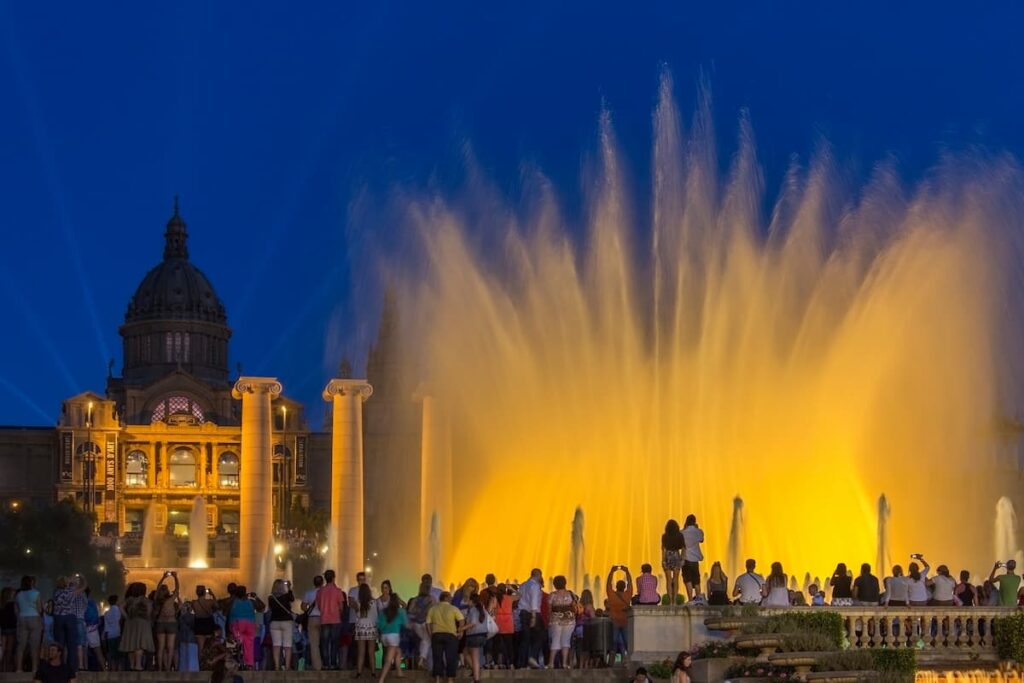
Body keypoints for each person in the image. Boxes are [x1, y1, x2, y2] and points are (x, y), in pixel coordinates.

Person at [426, 591, 464, 683]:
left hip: (436, 635)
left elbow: (427, 623)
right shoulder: (453, 608)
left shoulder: (433, 609)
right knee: (451, 657)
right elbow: (461, 620)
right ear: (447, 598)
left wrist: (430, 634)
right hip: (451, 635)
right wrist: (460, 630)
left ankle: (438, 679)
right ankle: (450, 679)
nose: (451, 598)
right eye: (450, 597)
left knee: (437, 658)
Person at [120, 582, 154, 672]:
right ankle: (138, 665)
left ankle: (132, 665)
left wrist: (126, 616)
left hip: (130, 622)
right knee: (140, 644)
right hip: (142, 622)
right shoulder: (144, 600)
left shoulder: (129, 599)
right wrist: (147, 617)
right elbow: (149, 609)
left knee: (131, 644)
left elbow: (120, 607)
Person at [316, 570, 344, 670]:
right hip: (335, 619)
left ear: (325, 579)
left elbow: (319, 606)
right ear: (333, 578)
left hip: (324, 619)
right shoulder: (338, 591)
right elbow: (341, 607)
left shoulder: (320, 591)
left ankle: (325, 664)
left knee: (324, 642)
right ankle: (333, 663)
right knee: (334, 642)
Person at [546, 576, 576, 670]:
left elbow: (549, 609)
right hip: (569, 620)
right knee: (566, 641)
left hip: (556, 620)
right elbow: (575, 607)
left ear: (555, 584)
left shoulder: (552, 595)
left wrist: (548, 620)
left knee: (555, 640)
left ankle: (551, 663)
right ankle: (564, 664)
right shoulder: (570, 594)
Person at [16, 575, 44, 672]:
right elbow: (40, 609)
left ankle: (19, 668)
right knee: (34, 645)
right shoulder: (36, 593)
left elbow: (17, 609)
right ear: (31, 583)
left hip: (22, 618)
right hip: (34, 618)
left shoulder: (19, 594)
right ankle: (34, 668)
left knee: (21, 645)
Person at [517, 568, 544, 669]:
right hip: (533, 613)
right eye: (540, 576)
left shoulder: (523, 585)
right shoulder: (535, 585)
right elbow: (534, 601)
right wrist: (533, 617)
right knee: (539, 637)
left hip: (523, 613)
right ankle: (532, 658)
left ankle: (521, 663)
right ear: (538, 575)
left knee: (525, 639)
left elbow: (520, 597)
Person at [377, 592, 407, 682]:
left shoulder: (384, 611)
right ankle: (381, 680)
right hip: (393, 636)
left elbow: (379, 625)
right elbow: (406, 624)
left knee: (398, 651)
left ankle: (399, 672)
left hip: (384, 637)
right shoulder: (400, 611)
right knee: (389, 660)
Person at [606, 565, 633, 662]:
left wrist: (611, 572)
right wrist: (627, 572)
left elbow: (608, 584)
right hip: (625, 621)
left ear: (616, 587)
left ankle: (611, 662)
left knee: (613, 643)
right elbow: (630, 583)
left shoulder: (612, 595)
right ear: (624, 587)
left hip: (614, 622)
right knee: (627, 643)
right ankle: (629, 660)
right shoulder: (627, 595)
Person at [154, 572, 180, 671]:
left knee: (161, 648)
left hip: (160, 623)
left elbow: (157, 588)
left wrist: (163, 578)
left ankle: (160, 667)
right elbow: (177, 589)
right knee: (170, 647)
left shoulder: (157, 599)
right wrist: (175, 577)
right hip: (171, 623)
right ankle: (168, 667)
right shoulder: (170, 599)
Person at [227, 586, 258, 669]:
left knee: (237, 642)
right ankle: (249, 664)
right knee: (249, 645)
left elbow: (228, 612)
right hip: (250, 624)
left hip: (237, 624)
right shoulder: (251, 602)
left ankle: (238, 661)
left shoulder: (233, 602)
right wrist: (255, 597)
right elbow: (262, 607)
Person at [267, 579, 295, 670]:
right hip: (286, 622)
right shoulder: (286, 596)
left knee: (276, 645)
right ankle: (287, 666)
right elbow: (292, 599)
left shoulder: (270, 598)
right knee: (287, 645)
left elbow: (271, 609)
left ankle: (276, 666)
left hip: (274, 623)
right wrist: (289, 587)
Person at [406, 582, 435, 669]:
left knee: (425, 641)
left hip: (416, 625)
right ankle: (422, 660)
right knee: (427, 641)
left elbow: (410, 612)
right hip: (426, 624)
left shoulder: (415, 600)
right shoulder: (431, 599)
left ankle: (422, 661)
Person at [463, 591, 489, 682]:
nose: (467, 602)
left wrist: (461, 629)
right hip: (482, 635)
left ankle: (476, 679)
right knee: (466, 652)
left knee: (474, 657)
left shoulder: (473, 610)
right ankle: (476, 670)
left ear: (472, 601)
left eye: (468, 600)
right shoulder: (482, 610)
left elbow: (473, 623)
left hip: (474, 636)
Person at [353, 583, 378, 677]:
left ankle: (359, 672)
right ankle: (373, 672)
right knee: (371, 652)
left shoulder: (358, 602)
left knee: (361, 651)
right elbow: (376, 616)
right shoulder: (374, 602)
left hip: (360, 628)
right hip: (371, 628)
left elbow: (358, 616)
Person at [301, 575, 324, 671]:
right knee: (325, 642)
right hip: (324, 619)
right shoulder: (325, 593)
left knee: (314, 644)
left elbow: (303, 607)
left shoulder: (308, 593)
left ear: (314, 583)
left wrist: (308, 610)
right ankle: (328, 663)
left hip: (313, 618)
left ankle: (317, 666)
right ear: (322, 583)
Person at [661, 520, 685, 605]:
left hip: (668, 556)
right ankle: (674, 600)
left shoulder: (664, 536)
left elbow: (663, 549)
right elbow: (683, 548)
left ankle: (670, 600)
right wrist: (682, 559)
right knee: (675, 579)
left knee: (668, 580)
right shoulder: (680, 536)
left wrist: (663, 560)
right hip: (676, 555)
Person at [191, 586, 218, 662]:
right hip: (208, 623)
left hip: (198, 623)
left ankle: (201, 665)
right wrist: (212, 594)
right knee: (209, 646)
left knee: (200, 647)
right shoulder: (210, 602)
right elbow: (217, 606)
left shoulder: (194, 603)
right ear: (204, 592)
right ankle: (210, 663)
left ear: (196, 593)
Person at [681, 516, 704, 601]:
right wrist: (697, 528)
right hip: (695, 560)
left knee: (688, 580)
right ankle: (698, 599)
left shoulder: (682, 532)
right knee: (696, 580)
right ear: (695, 522)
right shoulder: (699, 532)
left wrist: (684, 527)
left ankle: (690, 599)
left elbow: (681, 544)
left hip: (686, 559)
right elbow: (701, 540)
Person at [82, 589, 105, 671]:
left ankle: (84, 668)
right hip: (93, 628)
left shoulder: (81, 602)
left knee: (83, 649)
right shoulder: (93, 602)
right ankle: (104, 669)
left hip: (83, 627)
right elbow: (98, 617)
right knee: (98, 650)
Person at [102, 595, 122, 671]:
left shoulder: (107, 613)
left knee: (112, 654)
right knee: (119, 655)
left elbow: (106, 627)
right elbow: (119, 621)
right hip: (117, 634)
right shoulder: (118, 610)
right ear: (116, 601)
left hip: (110, 635)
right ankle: (119, 670)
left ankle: (112, 670)